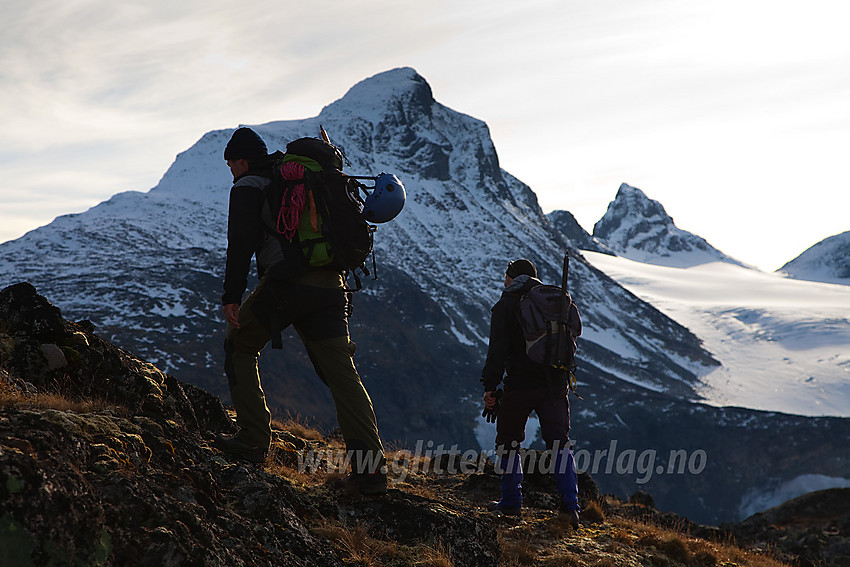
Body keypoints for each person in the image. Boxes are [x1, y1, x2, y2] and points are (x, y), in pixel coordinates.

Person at [214, 127, 387, 495]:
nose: (231, 170)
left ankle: (252, 440)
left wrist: (231, 296)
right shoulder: (301, 177)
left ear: (241, 160)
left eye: (231, 164)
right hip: (331, 285)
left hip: (285, 285)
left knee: (239, 344)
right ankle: (371, 472)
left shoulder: (249, 185)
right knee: (342, 374)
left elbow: (241, 243)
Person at [481, 258, 580, 527]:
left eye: (506, 276)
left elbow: (497, 352)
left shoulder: (506, 305)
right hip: (555, 384)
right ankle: (571, 507)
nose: (504, 280)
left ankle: (511, 503)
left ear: (512, 278)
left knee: (509, 441)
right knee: (560, 442)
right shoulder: (553, 302)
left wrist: (490, 388)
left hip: (520, 385)